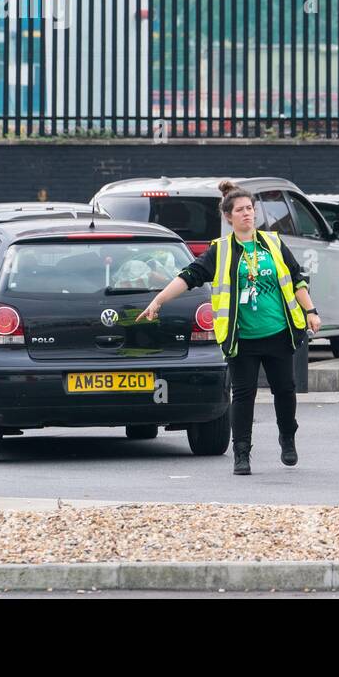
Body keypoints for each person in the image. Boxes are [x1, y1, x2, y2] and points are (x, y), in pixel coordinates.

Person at [136, 181, 322, 475]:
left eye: (250, 208)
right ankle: (242, 453)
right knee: (243, 396)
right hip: (242, 337)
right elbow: (190, 276)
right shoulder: (220, 251)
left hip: (278, 332)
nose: (247, 214)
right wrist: (158, 300)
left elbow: (296, 278)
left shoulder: (273, 243)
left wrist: (310, 310)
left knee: (285, 391)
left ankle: (287, 437)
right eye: (240, 210)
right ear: (229, 217)